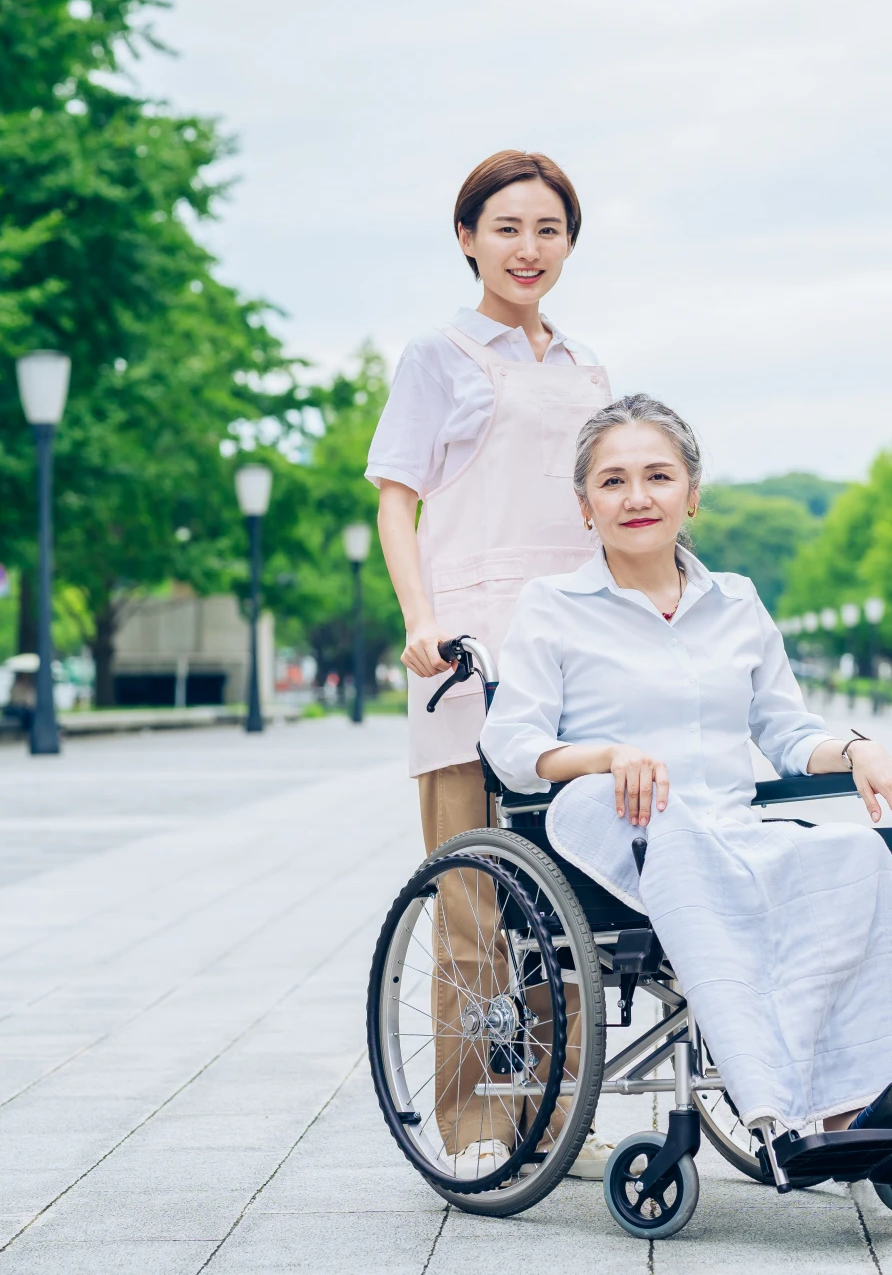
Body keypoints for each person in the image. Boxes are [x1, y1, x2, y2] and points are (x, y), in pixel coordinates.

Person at [481, 395, 892, 1149]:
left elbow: (786, 731)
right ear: (584, 506)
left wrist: (858, 752)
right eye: (612, 482)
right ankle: (784, 1112)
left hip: (726, 826)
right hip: (612, 819)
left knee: (853, 853)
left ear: (692, 493)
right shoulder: (554, 606)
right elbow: (512, 744)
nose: (637, 497)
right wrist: (607, 755)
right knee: (686, 843)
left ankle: (884, 1097)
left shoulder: (735, 602)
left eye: (658, 476)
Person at [367, 150, 613, 1175]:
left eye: (548, 229)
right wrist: (419, 621)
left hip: (571, 642)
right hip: (467, 646)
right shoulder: (438, 357)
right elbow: (396, 496)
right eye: (507, 227)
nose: (528, 247)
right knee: (473, 895)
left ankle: (553, 1113)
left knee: (571, 898)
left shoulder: (587, 371)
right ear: (468, 237)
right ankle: (474, 1118)